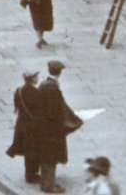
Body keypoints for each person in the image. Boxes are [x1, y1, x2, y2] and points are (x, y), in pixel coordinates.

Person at [36, 60, 79, 194]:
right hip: (52, 130)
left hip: (43, 128)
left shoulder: (43, 84)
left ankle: (45, 181)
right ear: (59, 73)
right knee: (51, 157)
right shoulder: (53, 88)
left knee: (46, 156)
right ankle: (49, 185)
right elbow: (57, 110)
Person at [6, 70, 41, 184]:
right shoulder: (36, 92)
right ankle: (32, 175)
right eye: (36, 77)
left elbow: (16, 106)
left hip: (22, 124)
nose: (37, 78)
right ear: (32, 79)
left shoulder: (19, 90)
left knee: (27, 149)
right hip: (33, 125)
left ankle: (29, 173)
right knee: (33, 149)